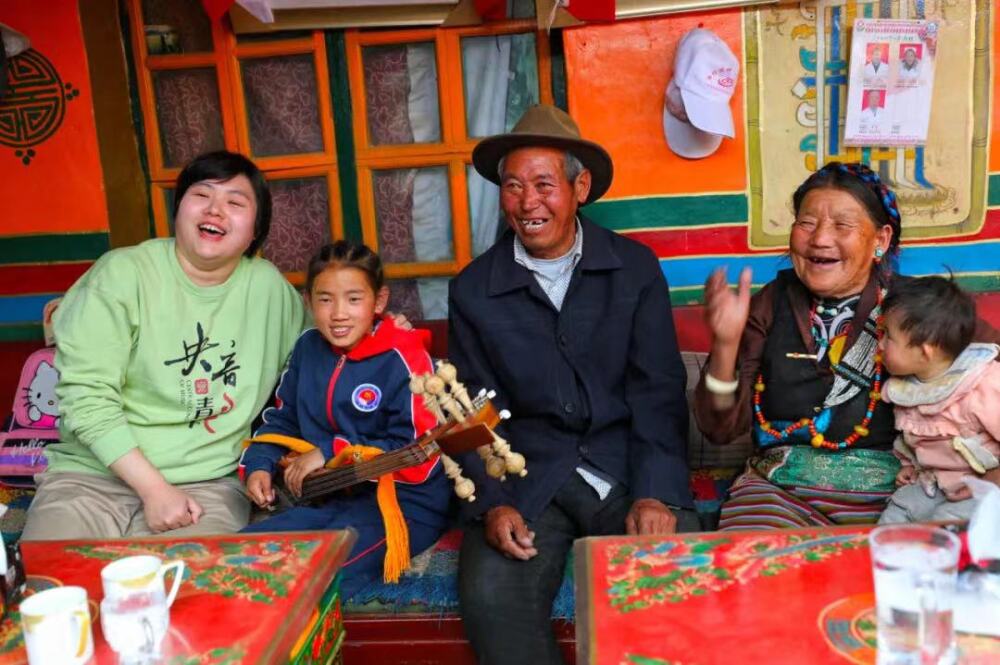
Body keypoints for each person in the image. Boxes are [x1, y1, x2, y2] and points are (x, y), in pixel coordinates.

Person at [448, 103, 696, 665]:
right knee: (493, 600)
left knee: (676, 581)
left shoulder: (633, 268)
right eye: (513, 186)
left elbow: (658, 389)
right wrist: (493, 505)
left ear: (579, 188)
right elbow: (470, 410)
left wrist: (655, 491)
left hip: (624, 469)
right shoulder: (474, 288)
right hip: (528, 480)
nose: (527, 203)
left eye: (543, 184)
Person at [694, 162, 1000, 530]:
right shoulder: (770, 304)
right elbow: (720, 430)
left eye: (842, 226)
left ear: (880, 240)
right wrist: (725, 345)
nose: (820, 239)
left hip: (895, 498)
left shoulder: (918, 310)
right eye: (807, 223)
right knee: (759, 555)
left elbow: (988, 369)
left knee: (913, 556)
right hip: (779, 494)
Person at [22, 151, 307, 540]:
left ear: (256, 229)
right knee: (49, 575)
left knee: (188, 577)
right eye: (201, 195)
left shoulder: (270, 289)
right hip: (89, 479)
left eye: (235, 202)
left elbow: (318, 360)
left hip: (205, 483)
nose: (215, 210)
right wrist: (154, 489)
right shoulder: (122, 273)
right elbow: (85, 396)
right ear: (178, 210)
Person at [240, 241, 450, 598]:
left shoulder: (403, 356)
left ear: (378, 301)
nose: (338, 313)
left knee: (314, 572)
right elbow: (283, 418)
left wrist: (328, 451)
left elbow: (416, 450)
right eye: (325, 299)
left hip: (402, 505)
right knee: (242, 553)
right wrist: (260, 464)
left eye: (354, 299)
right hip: (328, 496)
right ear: (308, 302)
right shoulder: (308, 348)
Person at [877, 277, 1000, 524]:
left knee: (946, 523)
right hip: (935, 483)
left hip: (984, 486)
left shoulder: (983, 385)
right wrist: (909, 465)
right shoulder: (909, 388)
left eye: (888, 336)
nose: (879, 344)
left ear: (925, 351)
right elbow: (913, 438)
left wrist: (994, 481)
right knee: (898, 511)